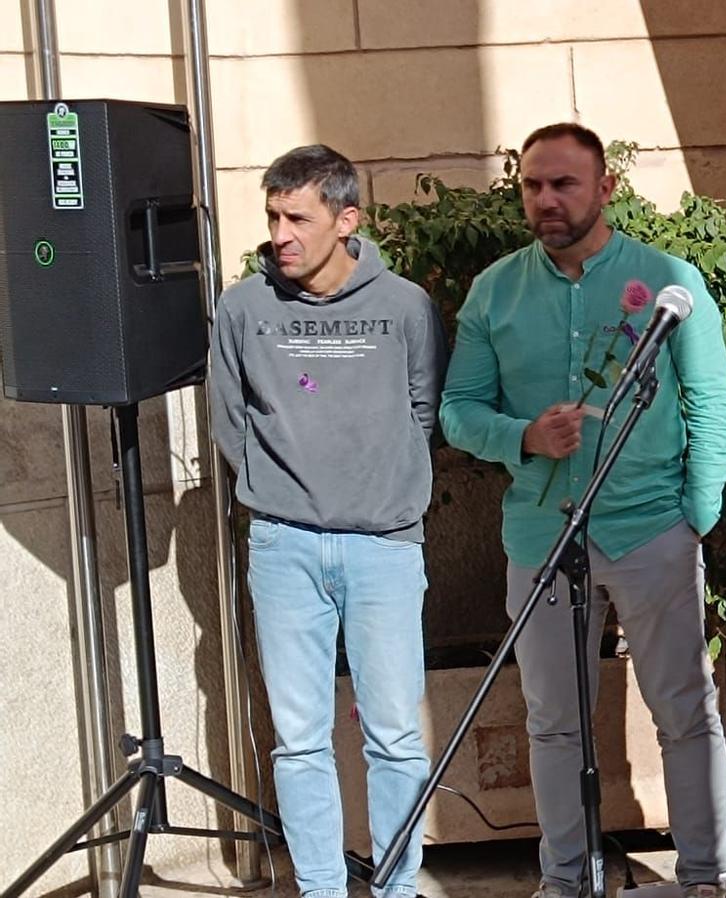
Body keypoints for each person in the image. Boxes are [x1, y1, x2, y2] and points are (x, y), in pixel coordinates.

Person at [439, 122, 726, 898]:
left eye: (564, 184)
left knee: (683, 710)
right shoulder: (495, 290)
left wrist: (695, 517)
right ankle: (565, 880)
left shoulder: (669, 279)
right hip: (543, 536)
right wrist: (523, 437)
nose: (546, 199)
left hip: (651, 530)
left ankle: (705, 875)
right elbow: (458, 410)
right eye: (533, 184)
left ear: (606, 189)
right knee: (552, 723)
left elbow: (713, 405)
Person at [208, 144, 439, 898]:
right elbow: (228, 419)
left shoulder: (404, 306)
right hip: (284, 547)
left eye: (297, 217)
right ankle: (319, 888)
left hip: (385, 547)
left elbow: (423, 409)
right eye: (273, 216)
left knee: (396, 740)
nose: (281, 233)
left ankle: (398, 888)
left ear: (347, 220)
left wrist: (378, 487)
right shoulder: (244, 307)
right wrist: (281, 491)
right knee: (300, 741)